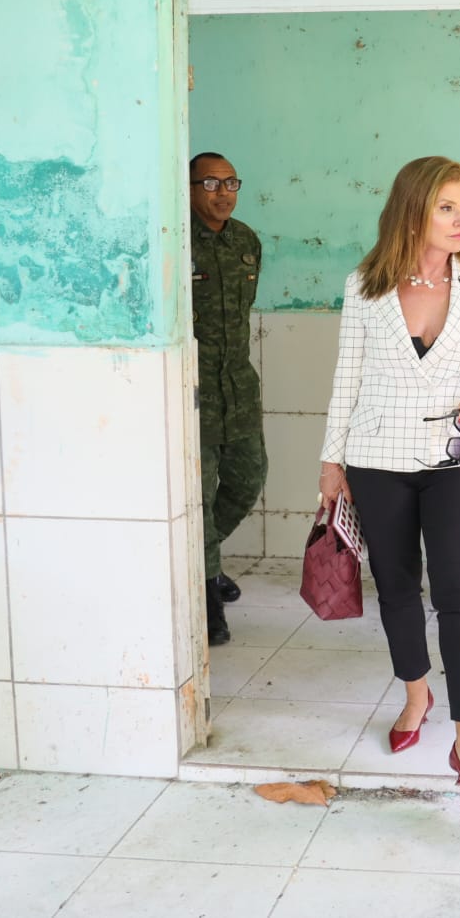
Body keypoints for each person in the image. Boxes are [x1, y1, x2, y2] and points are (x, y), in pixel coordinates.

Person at [318, 156, 460, 805]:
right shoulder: (365, 286)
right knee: (398, 588)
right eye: (446, 207)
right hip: (375, 456)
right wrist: (331, 461)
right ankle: (415, 695)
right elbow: (347, 377)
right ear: (413, 211)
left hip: (454, 455)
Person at [190, 151, 267, 647]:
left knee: (248, 478)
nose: (223, 193)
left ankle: (203, 560)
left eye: (231, 183)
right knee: (197, 497)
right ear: (189, 189)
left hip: (237, 386)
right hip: (193, 391)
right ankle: (207, 598)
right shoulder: (176, 241)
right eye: (211, 184)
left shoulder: (246, 242)